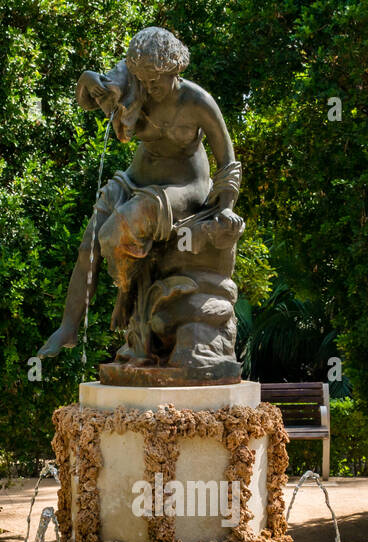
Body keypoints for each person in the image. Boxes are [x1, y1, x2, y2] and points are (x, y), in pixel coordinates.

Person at [37, 27, 243, 359]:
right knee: (91, 241)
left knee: (119, 228)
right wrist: (88, 79)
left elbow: (228, 163)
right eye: (143, 81)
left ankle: (127, 290)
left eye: (155, 80)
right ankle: (69, 327)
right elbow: (87, 99)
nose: (149, 88)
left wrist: (226, 207)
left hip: (183, 188)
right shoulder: (134, 81)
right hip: (136, 177)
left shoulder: (198, 102)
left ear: (175, 67)